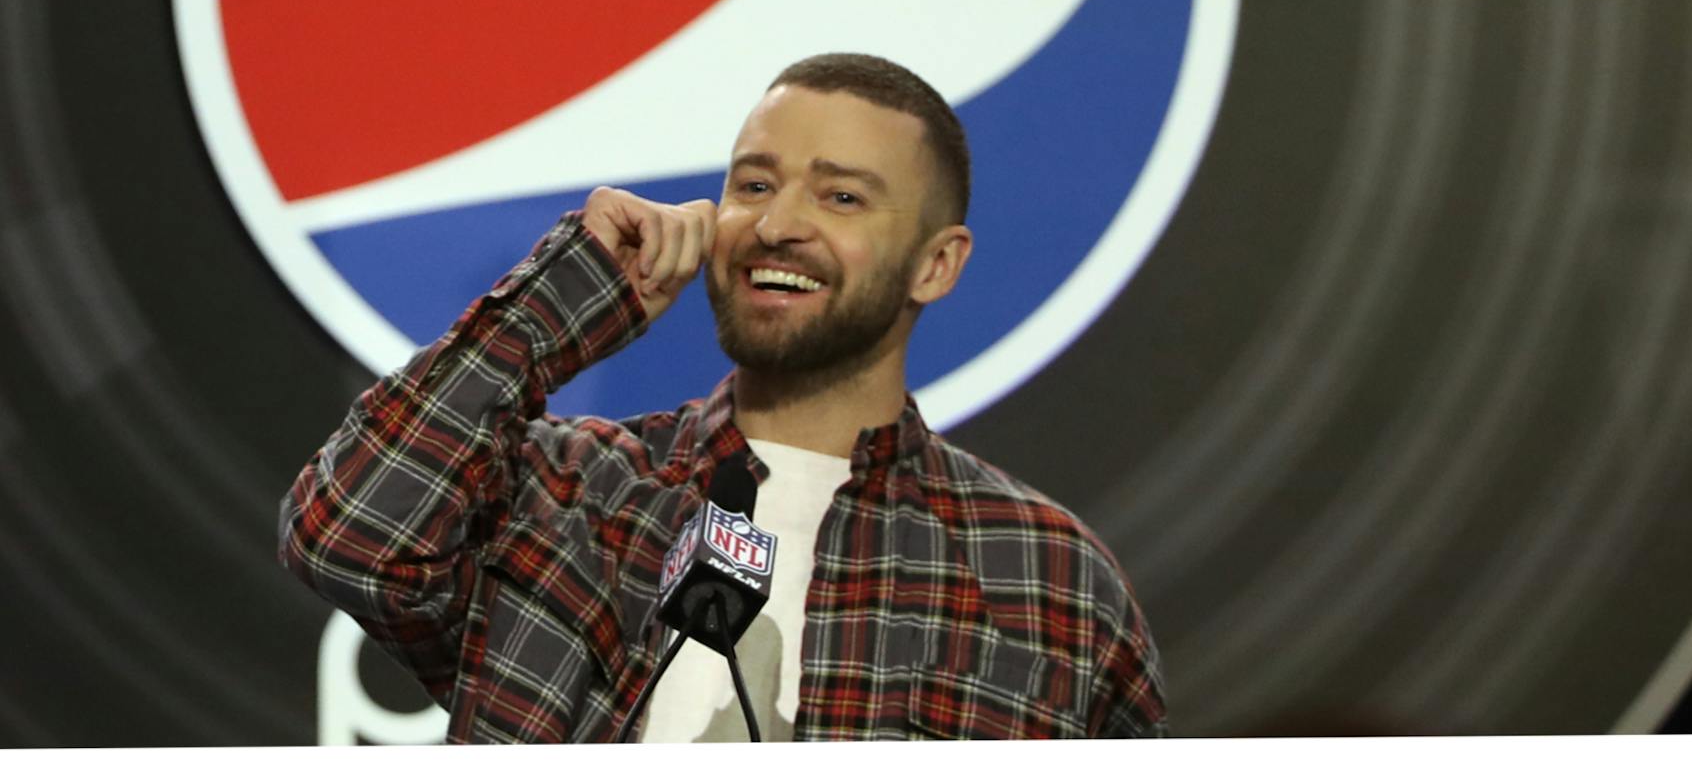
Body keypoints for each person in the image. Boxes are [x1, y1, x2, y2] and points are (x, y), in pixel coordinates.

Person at [278, 52, 1168, 741]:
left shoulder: (1047, 583)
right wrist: (566, 299)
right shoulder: (566, 493)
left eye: (843, 195)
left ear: (936, 263)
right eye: (753, 183)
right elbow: (347, 535)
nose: (777, 223)